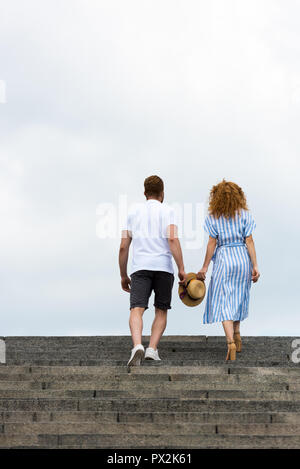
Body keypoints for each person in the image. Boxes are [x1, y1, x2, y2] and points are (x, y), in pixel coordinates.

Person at [119, 175, 187, 366]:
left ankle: (138, 345)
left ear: (144, 193)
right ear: (162, 193)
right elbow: (172, 240)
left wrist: (123, 275)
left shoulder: (132, 213)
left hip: (140, 267)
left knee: (136, 309)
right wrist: (181, 268)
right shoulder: (169, 211)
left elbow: (124, 246)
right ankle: (152, 349)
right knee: (161, 310)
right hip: (164, 268)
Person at [197, 179, 260, 361]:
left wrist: (205, 266)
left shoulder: (213, 217)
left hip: (224, 258)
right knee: (239, 296)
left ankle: (230, 342)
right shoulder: (245, 215)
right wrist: (255, 265)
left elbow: (212, 243)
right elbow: (249, 241)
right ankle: (238, 333)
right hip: (242, 258)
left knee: (225, 301)